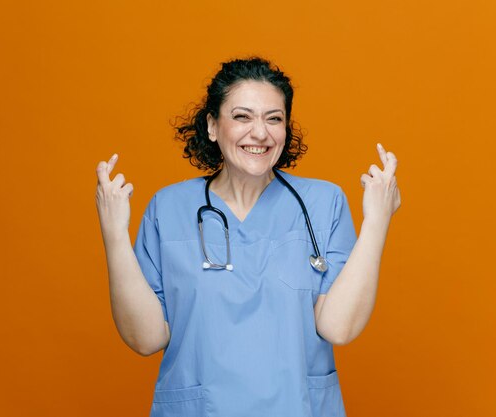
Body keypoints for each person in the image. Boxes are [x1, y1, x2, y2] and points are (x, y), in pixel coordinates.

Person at [95, 57, 401, 417]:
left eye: (274, 118)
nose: (260, 133)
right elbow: (145, 339)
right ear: (212, 125)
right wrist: (114, 235)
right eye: (242, 116)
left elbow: (338, 327)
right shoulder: (169, 208)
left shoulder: (323, 202)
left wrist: (377, 222)